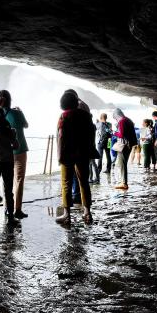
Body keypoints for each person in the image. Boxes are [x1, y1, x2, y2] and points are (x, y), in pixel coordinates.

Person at [56, 92, 95, 224]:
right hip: (83, 153)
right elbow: (91, 133)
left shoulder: (64, 116)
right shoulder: (85, 115)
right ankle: (87, 212)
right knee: (84, 182)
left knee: (66, 183)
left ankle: (67, 214)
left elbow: (61, 137)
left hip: (68, 154)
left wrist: (60, 156)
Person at [0, 90, 29, 219]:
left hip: (5, 151)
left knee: (6, 180)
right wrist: (20, 111)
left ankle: (7, 208)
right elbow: (26, 125)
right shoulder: (16, 113)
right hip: (20, 150)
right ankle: (17, 209)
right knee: (19, 180)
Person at [112, 108, 137, 189]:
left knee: (122, 164)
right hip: (129, 144)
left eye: (115, 118)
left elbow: (122, 134)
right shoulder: (128, 120)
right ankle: (122, 181)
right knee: (122, 163)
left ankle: (123, 183)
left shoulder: (122, 121)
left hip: (124, 145)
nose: (116, 120)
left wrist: (114, 133)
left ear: (117, 115)